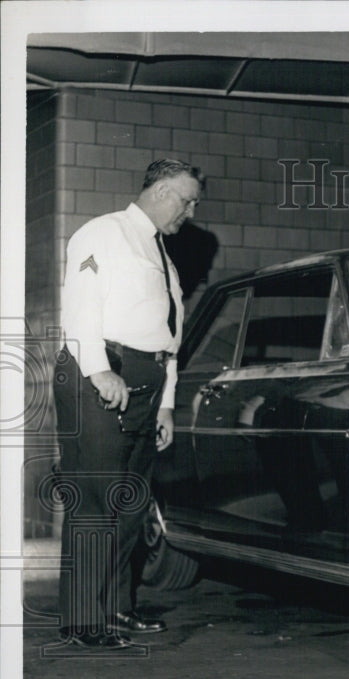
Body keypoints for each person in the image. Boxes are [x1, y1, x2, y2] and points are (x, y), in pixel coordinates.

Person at [50, 158, 204, 649]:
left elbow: (169, 337)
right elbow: (81, 305)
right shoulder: (102, 234)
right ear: (160, 191)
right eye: (187, 200)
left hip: (146, 382)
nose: (191, 211)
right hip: (102, 372)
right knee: (95, 500)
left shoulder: (164, 255)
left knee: (131, 504)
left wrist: (166, 404)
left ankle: (115, 607)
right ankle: (82, 619)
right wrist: (98, 371)